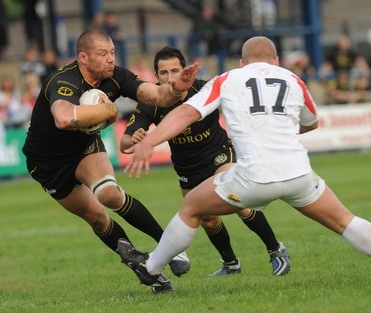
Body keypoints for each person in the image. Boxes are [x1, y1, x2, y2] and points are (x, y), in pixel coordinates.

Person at [117, 36, 371, 293]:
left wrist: (150, 143)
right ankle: (236, 259)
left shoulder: (227, 79)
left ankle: (151, 267)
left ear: (241, 62)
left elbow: (185, 113)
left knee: (192, 205)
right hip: (298, 174)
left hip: (253, 176)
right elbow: (312, 121)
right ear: (277, 61)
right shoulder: (293, 79)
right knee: (345, 222)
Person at [22, 29, 201, 294]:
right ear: (83, 57)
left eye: (113, 52)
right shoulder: (63, 81)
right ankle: (140, 265)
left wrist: (175, 90)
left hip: (84, 149)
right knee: (96, 217)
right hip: (46, 164)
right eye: (103, 54)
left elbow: (157, 96)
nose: (110, 59)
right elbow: (63, 118)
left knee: (109, 195)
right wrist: (107, 109)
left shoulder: (116, 76)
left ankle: (168, 248)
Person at [120, 46, 290, 276]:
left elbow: (241, 104)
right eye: (163, 73)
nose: (170, 78)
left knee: (239, 200)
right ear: (156, 76)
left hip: (219, 154)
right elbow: (125, 144)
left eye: (175, 71)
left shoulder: (203, 88)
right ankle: (231, 265)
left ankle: (276, 250)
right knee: (208, 219)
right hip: (187, 167)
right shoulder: (151, 101)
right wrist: (135, 139)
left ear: (185, 70)